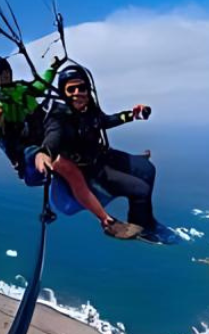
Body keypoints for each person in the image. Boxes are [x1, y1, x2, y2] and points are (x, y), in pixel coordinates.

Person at [34, 65, 154, 239]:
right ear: (63, 92)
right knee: (141, 190)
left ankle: (148, 219)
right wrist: (44, 152)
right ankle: (140, 227)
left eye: (81, 88)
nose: (77, 92)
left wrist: (131, 115)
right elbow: (53, 134)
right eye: (71, 89)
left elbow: (104, 121)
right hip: (90, 169)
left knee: (148, 169)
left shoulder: (90, 109)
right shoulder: (58, 116)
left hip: (101, 155)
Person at [0, 55, 61, 179]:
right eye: (1, 73)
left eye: (7, 71)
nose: (6, 74)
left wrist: (51, 69)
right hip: (23, 141)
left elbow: (40, 86)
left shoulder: (21, 88)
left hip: (41, 130)